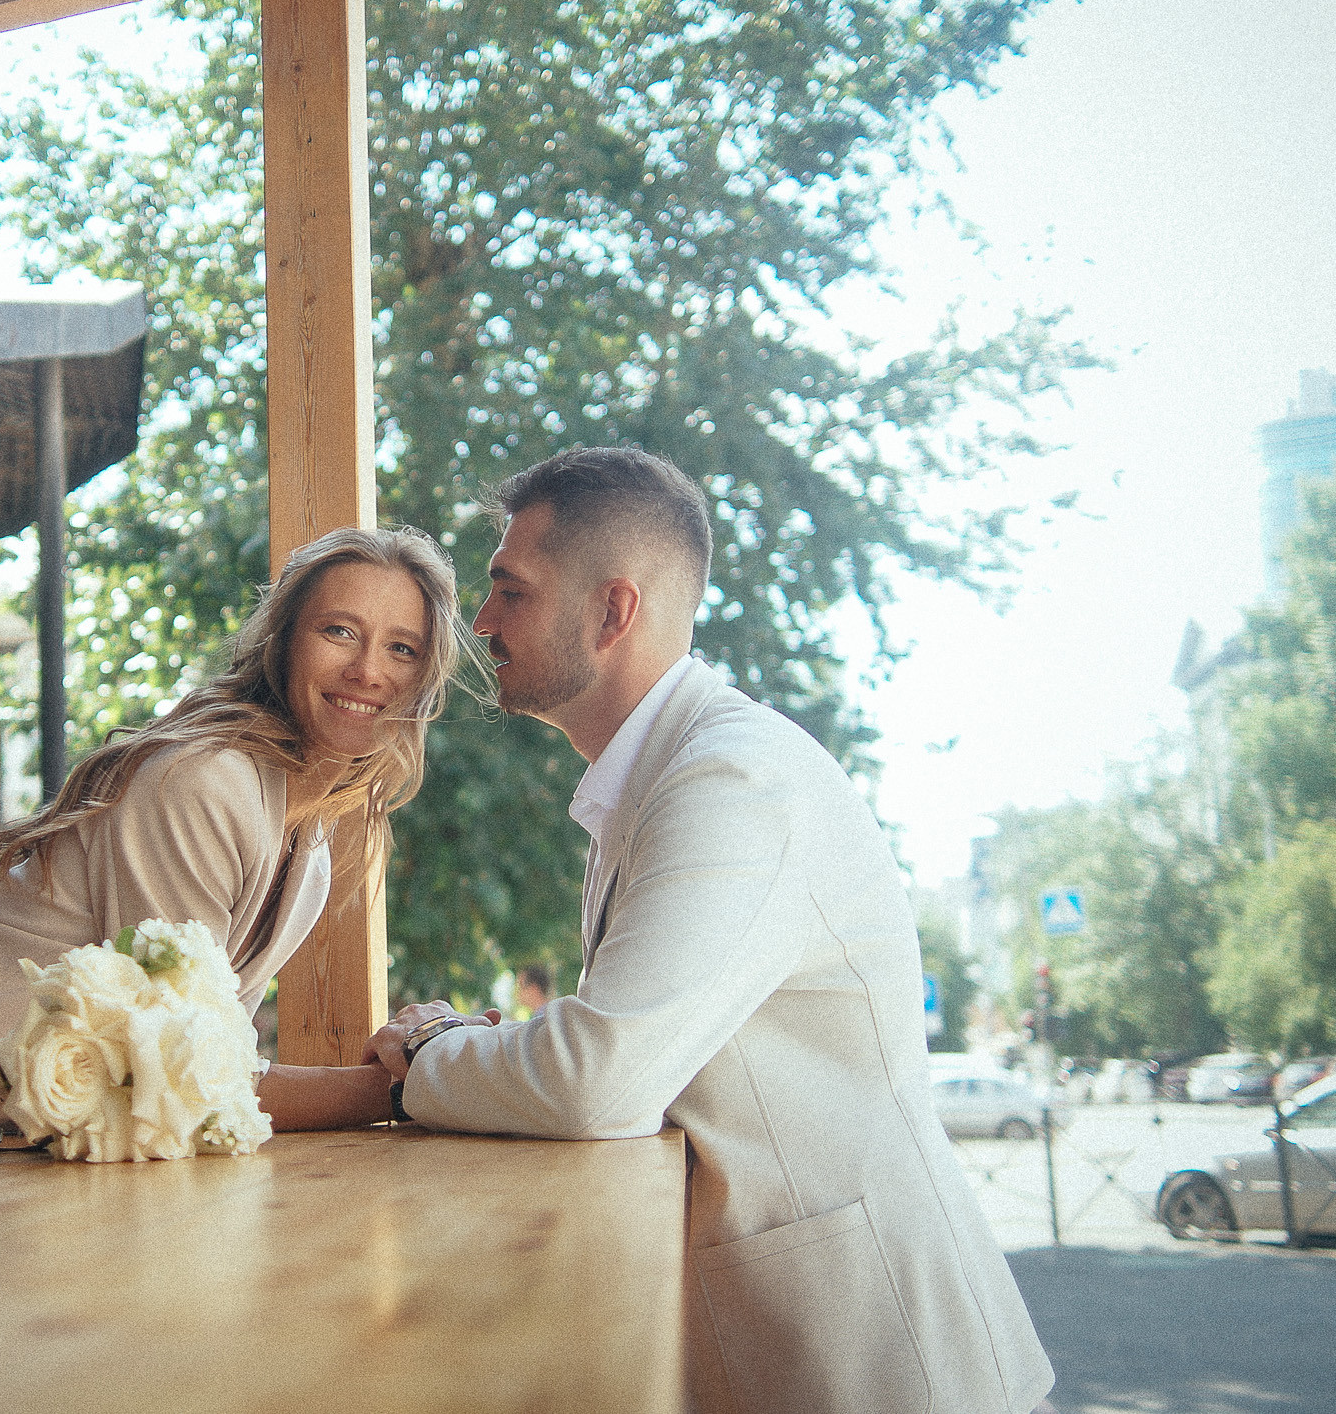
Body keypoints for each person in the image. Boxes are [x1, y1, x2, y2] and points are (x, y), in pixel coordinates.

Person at [366, 448, 1054, 1414]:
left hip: (880, 1361)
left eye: (507, 590)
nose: (479, 623)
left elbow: (598, 1074)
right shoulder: (656, 776)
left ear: (612, 612)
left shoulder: (732, 779)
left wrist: (426, 1057)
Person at [0, 525, 459, 1148]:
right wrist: (408, 1082)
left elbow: (204, 1070)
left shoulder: (308, 857)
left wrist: (414, 1061)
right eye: (339, 630)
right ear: (284, 641)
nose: (369, 670)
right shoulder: (206, 782)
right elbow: (173, 1068)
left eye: (401, 648)